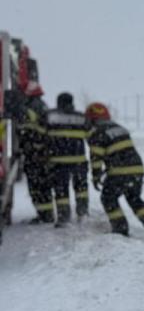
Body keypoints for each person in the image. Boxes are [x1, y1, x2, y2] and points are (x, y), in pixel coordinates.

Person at [84, 102, 144, 237]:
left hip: (120, 170)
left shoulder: (96, 132)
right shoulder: (120, 128)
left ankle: (120, 229)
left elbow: (96, 159)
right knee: (134, 198)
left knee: (108, 198)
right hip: (137, 168)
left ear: (91, 119)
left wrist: (95, 177)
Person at [45, 91, 90, 224]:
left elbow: (42, 135)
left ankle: (64, 216)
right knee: (81, 188)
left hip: (58, 162)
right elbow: (90, 135)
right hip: (79, 161)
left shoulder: (50, 116)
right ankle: (82, 213)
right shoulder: (82, 117)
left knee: (61, 190)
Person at [17, 82, 54, 223]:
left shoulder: (29, 109)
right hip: (44, 154)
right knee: (44, 186)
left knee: (35, 186)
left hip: (34, 154)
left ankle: (44, 215)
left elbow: (27, 131)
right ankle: (47, 213)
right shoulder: (44, 106)